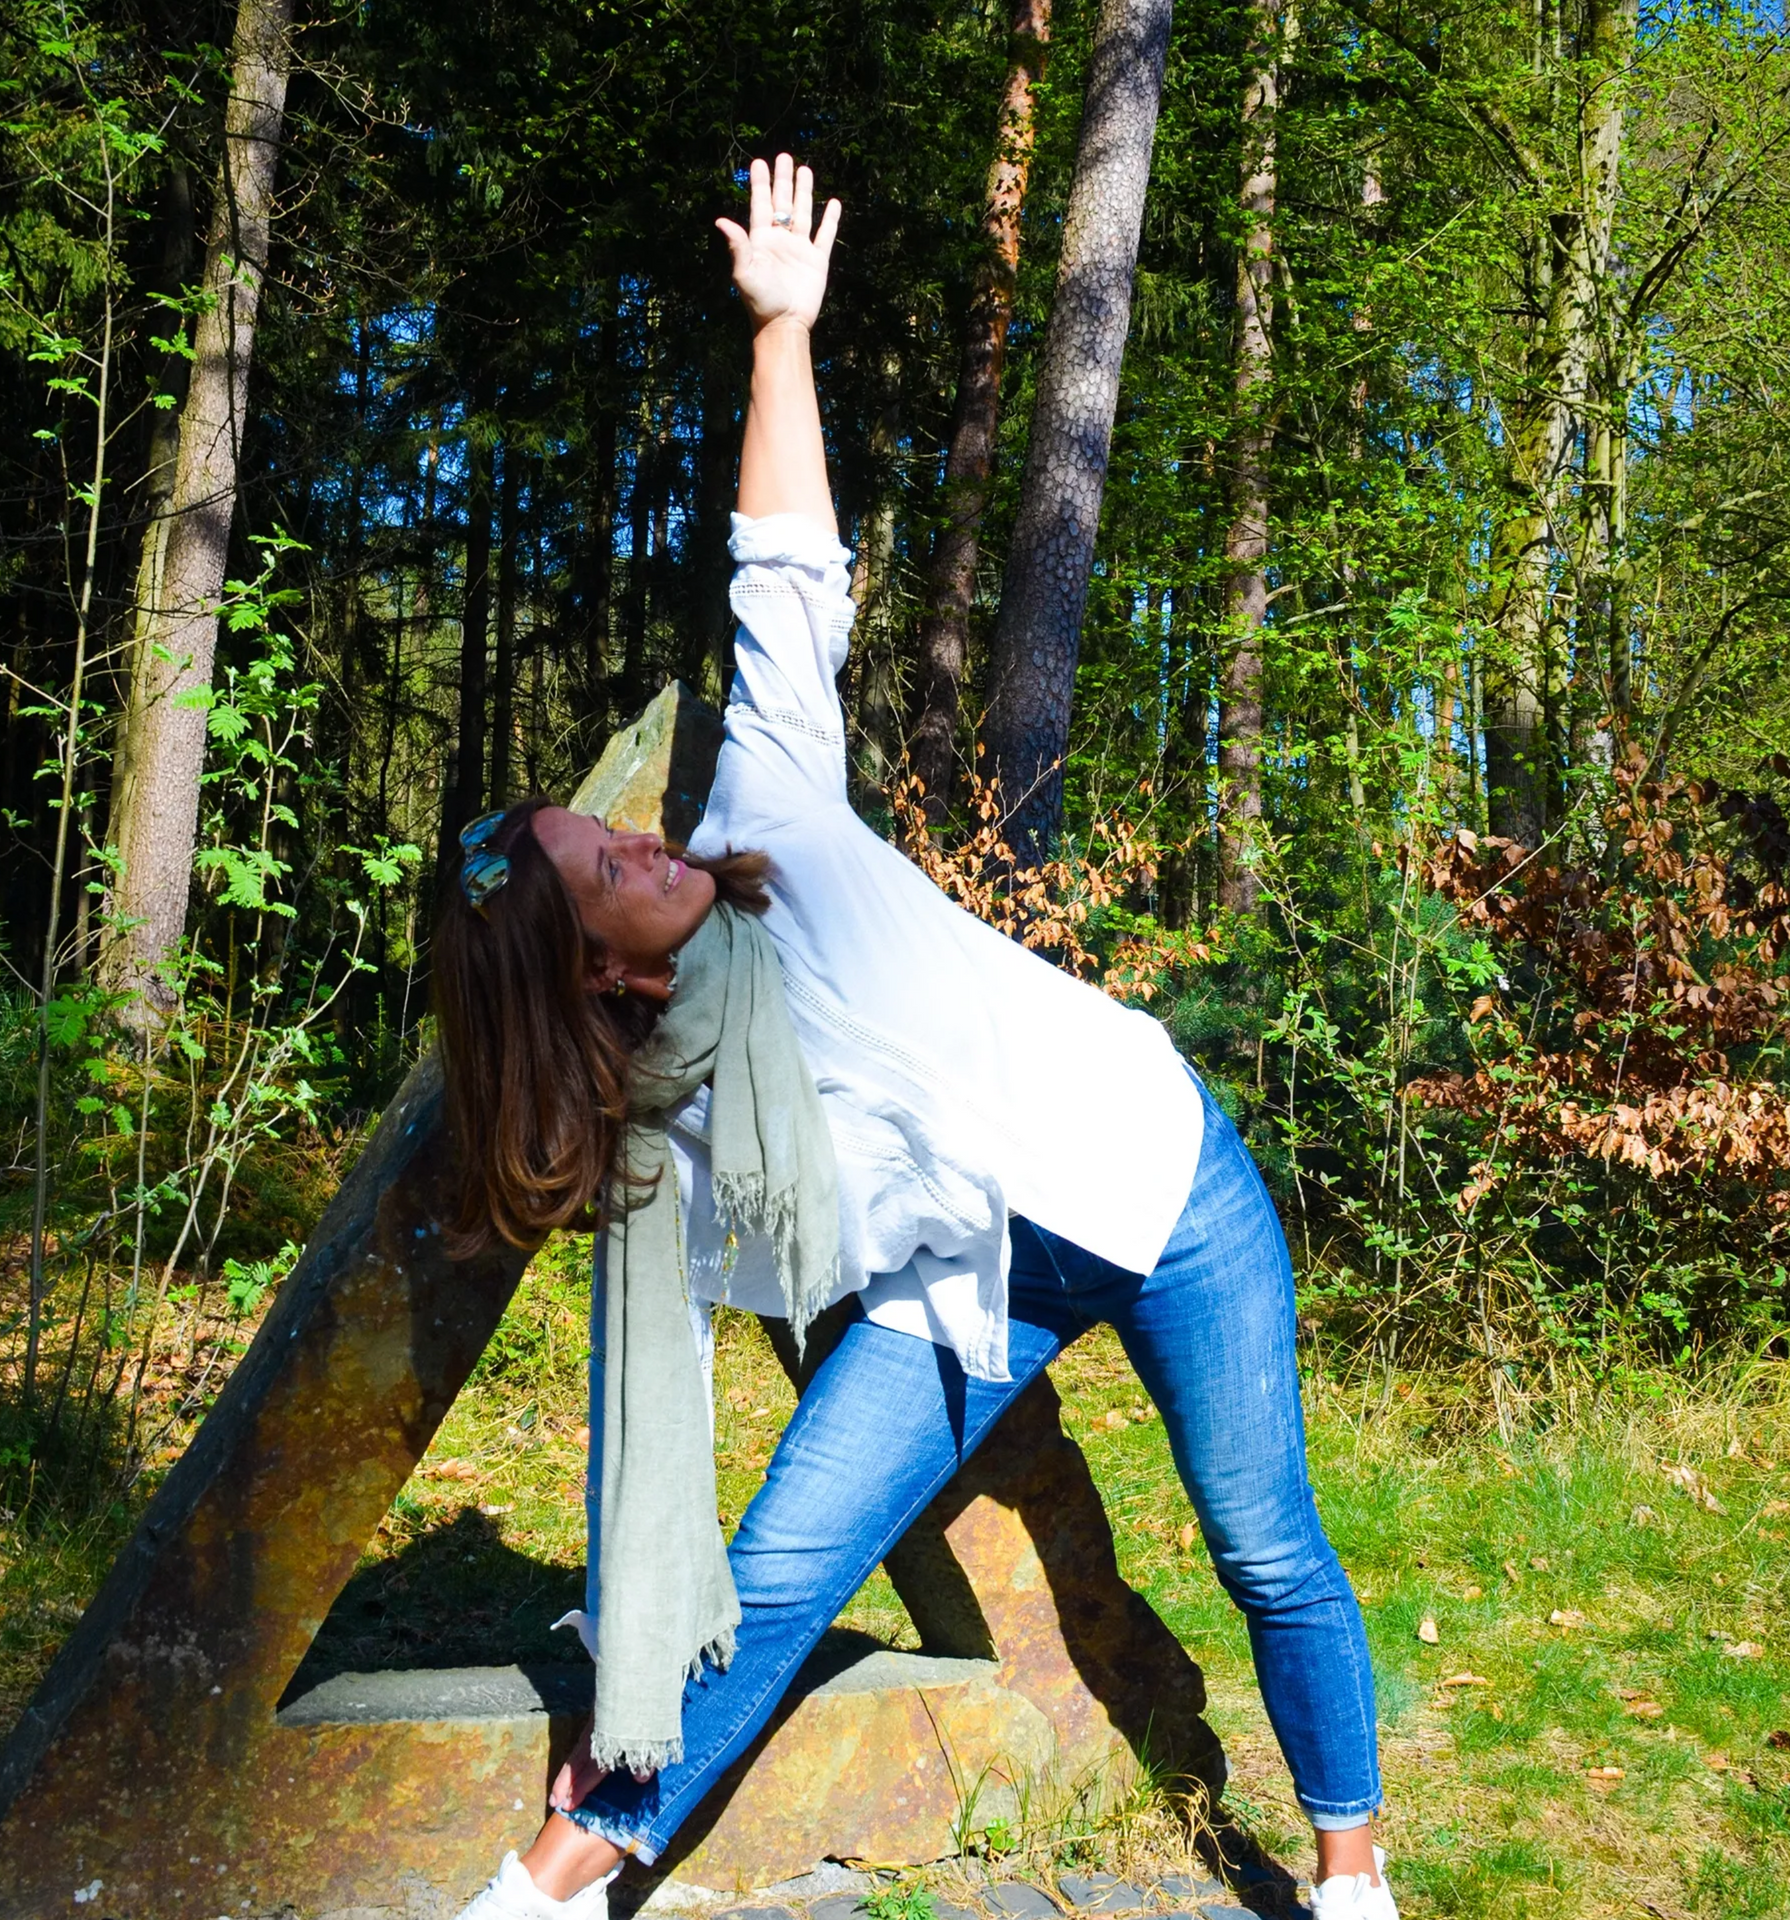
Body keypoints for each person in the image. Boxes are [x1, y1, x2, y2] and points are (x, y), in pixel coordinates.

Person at [435, 155, 1395, 1920]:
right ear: (589, 977)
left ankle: (1351, 1873)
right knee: (785, 1564)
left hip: (1156, 1169)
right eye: (606, 872)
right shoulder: (656, 1114)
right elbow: (642, 1341)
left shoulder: (770, 813)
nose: (645, 838)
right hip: (970, 1279)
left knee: (1266, 1541)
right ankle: (554, 1887)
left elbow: (780, 567)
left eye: (615, 827)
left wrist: (784, 336)